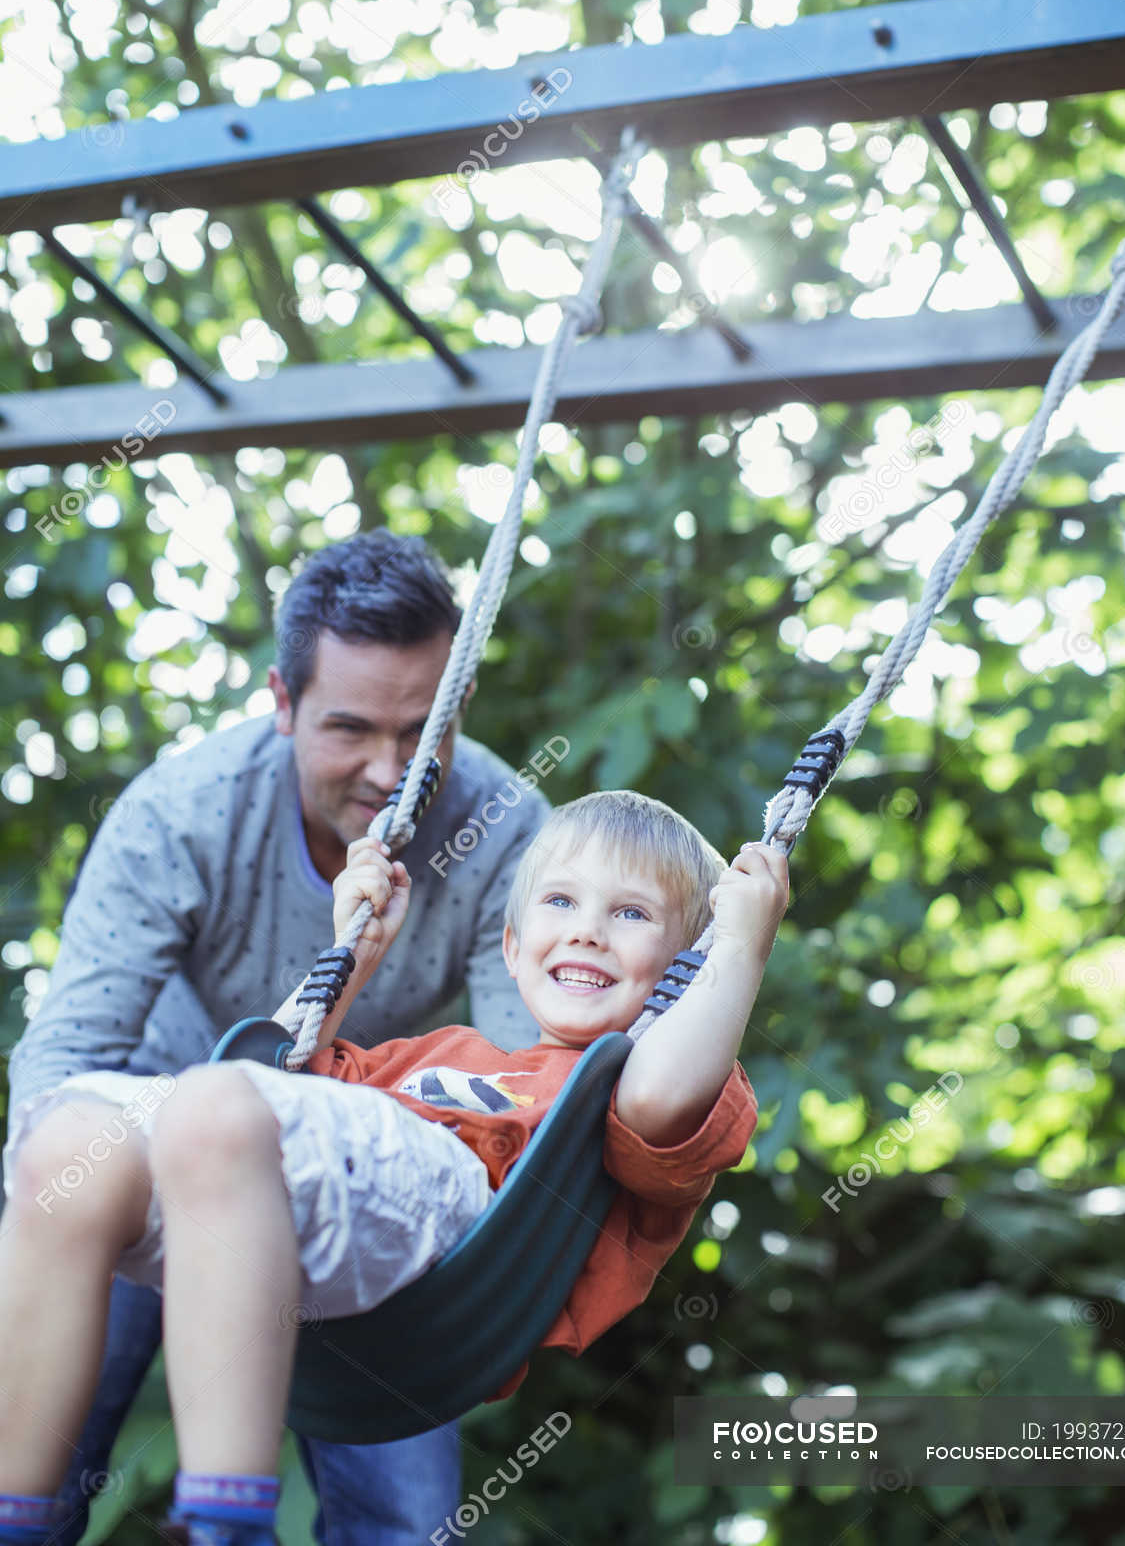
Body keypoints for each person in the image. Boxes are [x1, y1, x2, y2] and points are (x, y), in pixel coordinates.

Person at [0, 790, 790, 1545]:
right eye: (560, 902)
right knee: (65, 1146)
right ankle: (15, 1516)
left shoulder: (623, 1087)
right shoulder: (437, 1055)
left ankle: (223, 1525)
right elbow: (278, 1077)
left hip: (456, 1247)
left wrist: (740, 949)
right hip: (288, 1221)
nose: (587, 931)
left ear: (685, 972)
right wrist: (351, 959)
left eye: (630, 913)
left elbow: (659, 1100)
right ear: (511, 949)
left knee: (214, 1106)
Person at [1, 529, 554, 1545]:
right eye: (349, 729)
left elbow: (529, 1093)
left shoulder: (512, 834)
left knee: (408, 1518)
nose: (391, 771)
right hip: (158, 1150)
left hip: (370, 1169)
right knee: (49, 1445)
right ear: (282, 702)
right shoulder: (184, 813)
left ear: (457, 705)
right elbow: (63, 1061)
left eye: (420, 728)